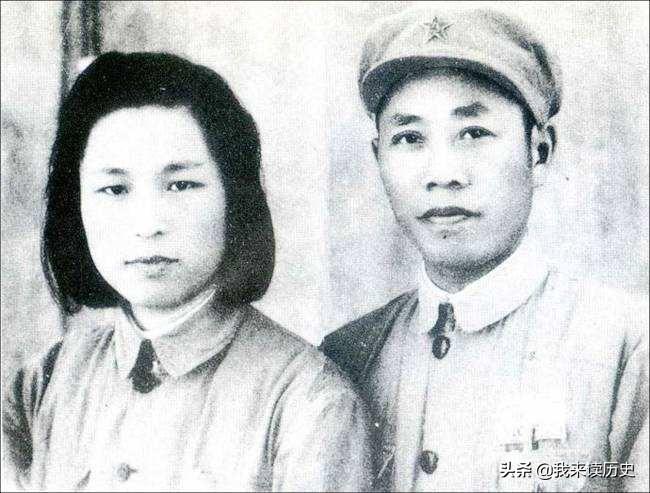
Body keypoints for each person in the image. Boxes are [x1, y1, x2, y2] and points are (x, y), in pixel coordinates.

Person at [2, 51, 372, 492]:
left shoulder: (308, 403)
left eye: (181, 185)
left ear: (233, 198)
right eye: (114, 189)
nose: (147, 224)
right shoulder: (41, 386)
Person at [321, 8, 648, 492]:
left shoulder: (627, 346)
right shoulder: (346, 357)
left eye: (473, 133)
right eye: (409, 138)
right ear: (378, 157)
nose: (443, 174)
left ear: (539, 151)